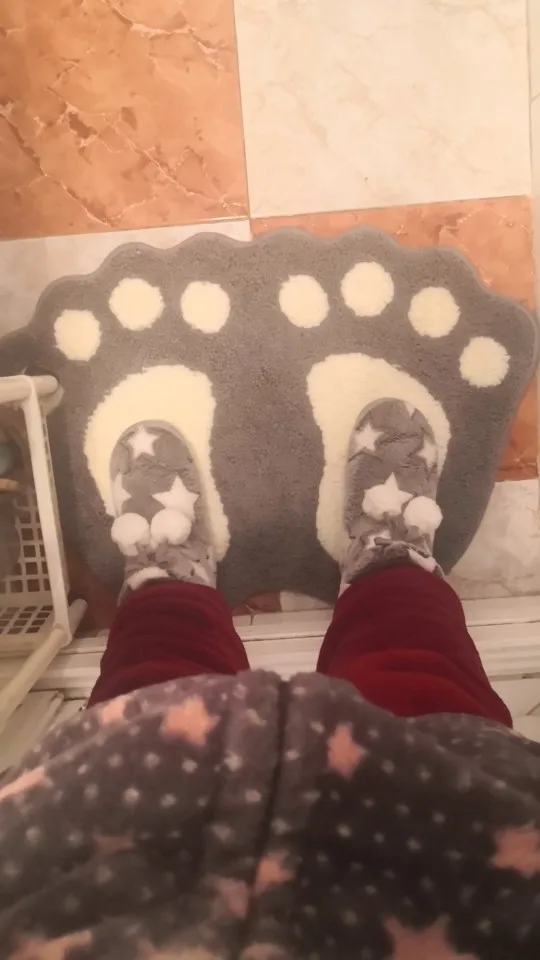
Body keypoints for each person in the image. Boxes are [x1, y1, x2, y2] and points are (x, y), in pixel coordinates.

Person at [1, 399, 539, 960]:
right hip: (463, 858)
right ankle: (390, 559)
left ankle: (169, 580)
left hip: (101, 860)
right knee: (418, 669)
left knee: (151, 680)